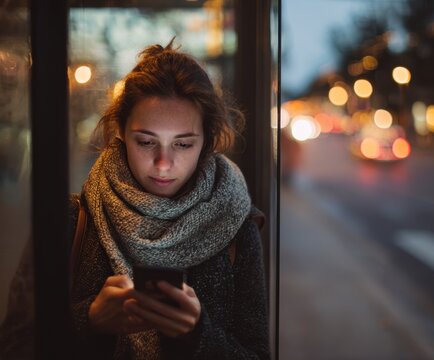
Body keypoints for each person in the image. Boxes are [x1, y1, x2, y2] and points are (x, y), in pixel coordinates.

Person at [1, 39, 270, 359]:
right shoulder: (69, 220)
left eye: (183, 144)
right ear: (121, 134)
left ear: (207, 143)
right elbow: (14, 344)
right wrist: (89, 320)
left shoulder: (237, 228)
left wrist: (197, 334)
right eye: (146, 141)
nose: (163, 163)